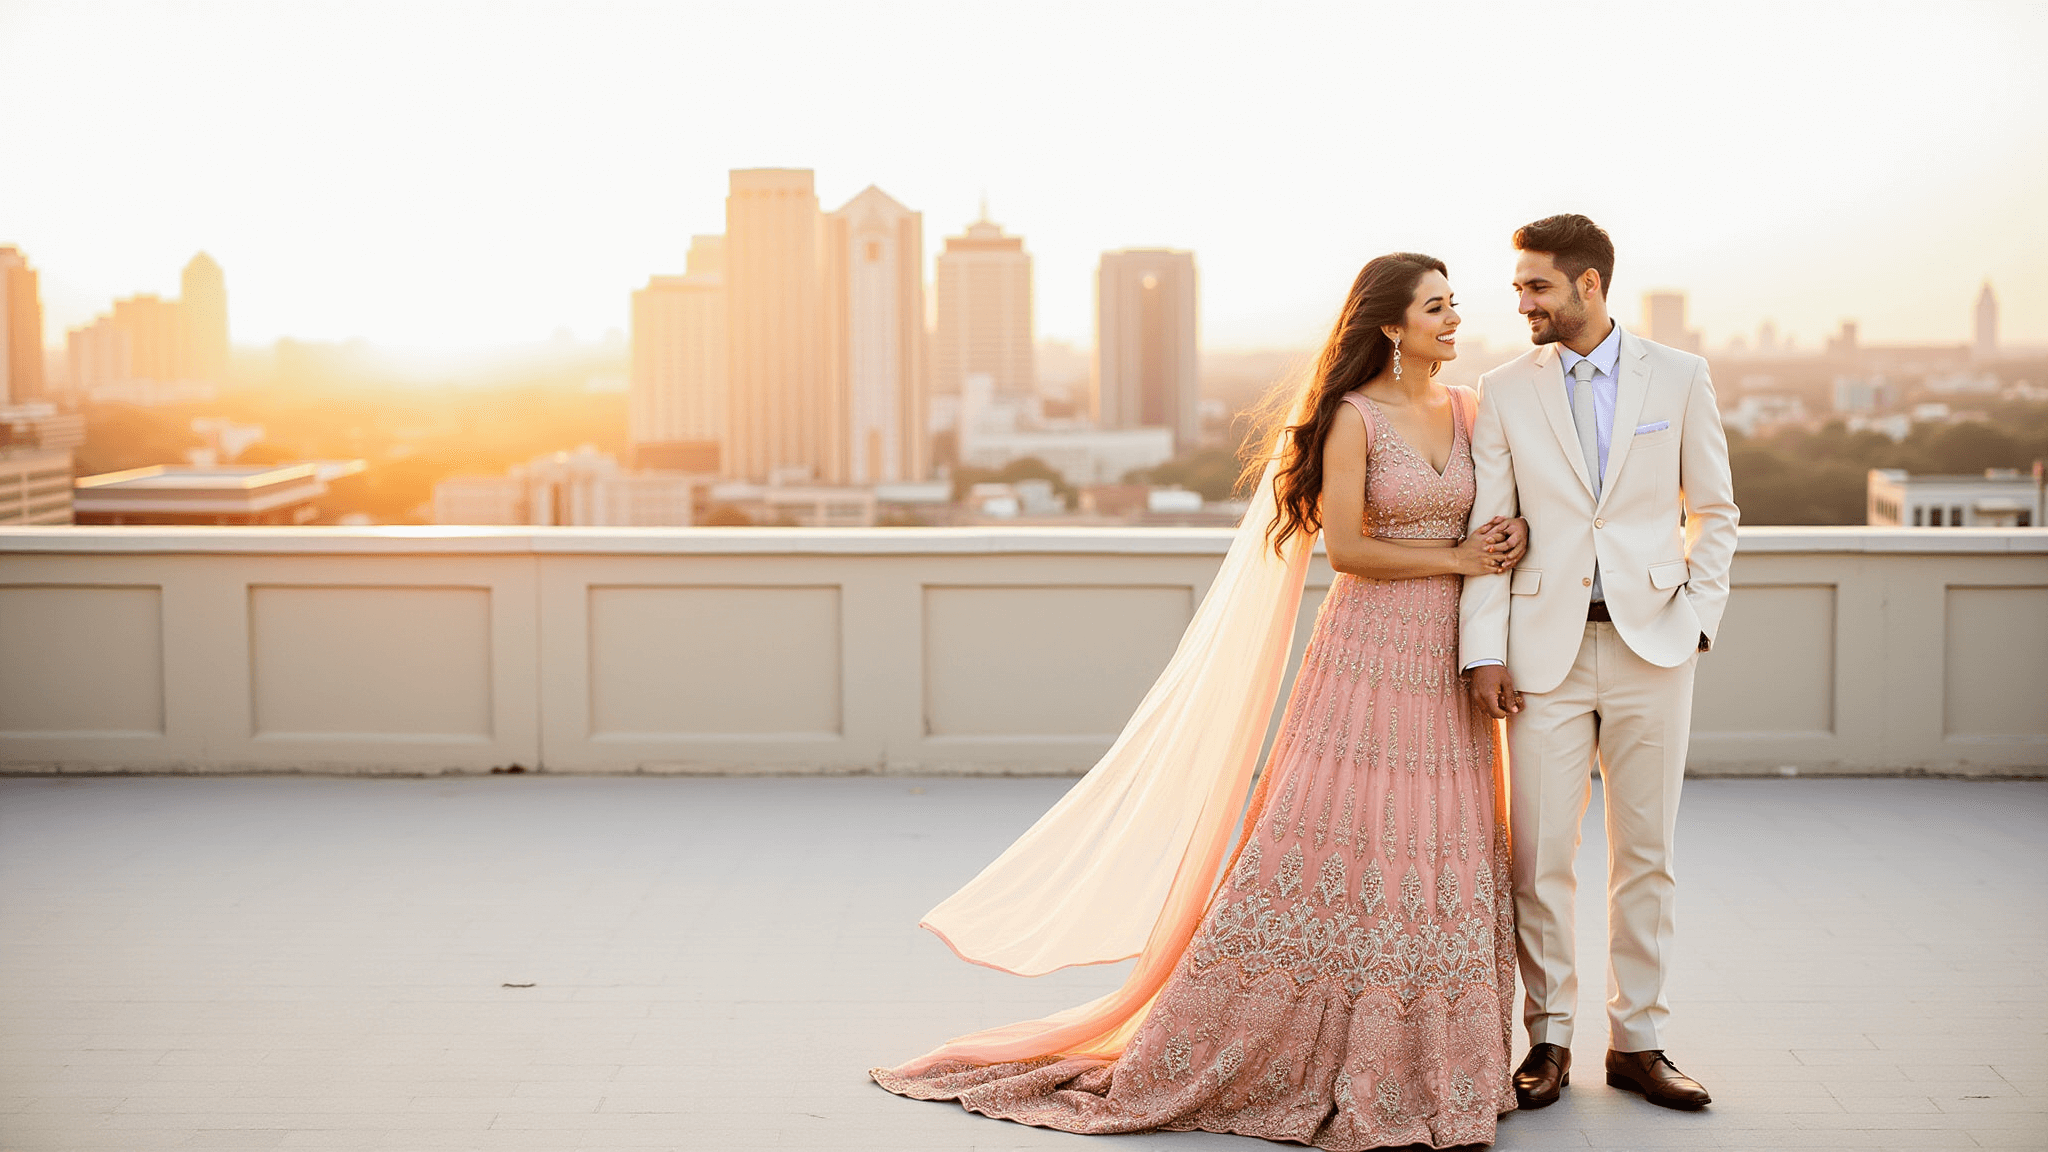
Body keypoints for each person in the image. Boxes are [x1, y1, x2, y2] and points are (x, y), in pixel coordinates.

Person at [873, 253, 1529, 1149]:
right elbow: (1347, 549)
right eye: (1435, 308)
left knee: (1437, 840)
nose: (1454, 321)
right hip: (1367, 652)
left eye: (1456, 305)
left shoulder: (1470, 412)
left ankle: (1436, 1060)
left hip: (1448, 655)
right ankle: (1281, 1041)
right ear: (1389, 324)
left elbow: (1502, 509)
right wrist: (1459, 559)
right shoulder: (1351, 419)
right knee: (1339, 834)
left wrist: (1512, 533)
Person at [1459, 215, 1739, 1112]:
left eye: (1536, 287)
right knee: (1540, 855)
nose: (1523, 304)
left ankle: (1640, 1043)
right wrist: (1486, 650)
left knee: (1645, 854)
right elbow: (1489, 533)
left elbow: (1717, 511)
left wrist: (1697, 618)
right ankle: (1548, 1040)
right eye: (1518, 290)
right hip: (1542, 655)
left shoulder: (1682, 375)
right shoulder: (1501, 390)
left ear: (1588, 284)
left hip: (1655, 644)